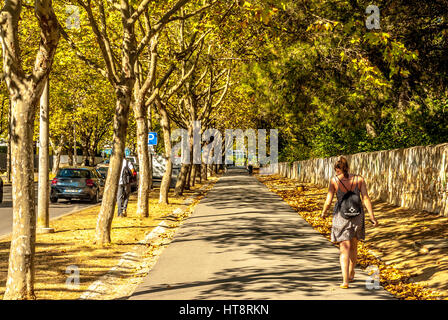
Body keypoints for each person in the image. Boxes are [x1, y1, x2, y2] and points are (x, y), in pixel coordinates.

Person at [321, 156, 379, 289]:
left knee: (344, 248)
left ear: (339, 168)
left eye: (337, 170)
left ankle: (345, 280)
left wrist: (324, 213)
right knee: (353, 246)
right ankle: (351, 271)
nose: (336, 173)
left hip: (341, 216)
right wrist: (372, 216)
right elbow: (365, 198)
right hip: (357, 215)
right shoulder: (359, 179)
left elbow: (328, 200)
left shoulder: (334, 181)